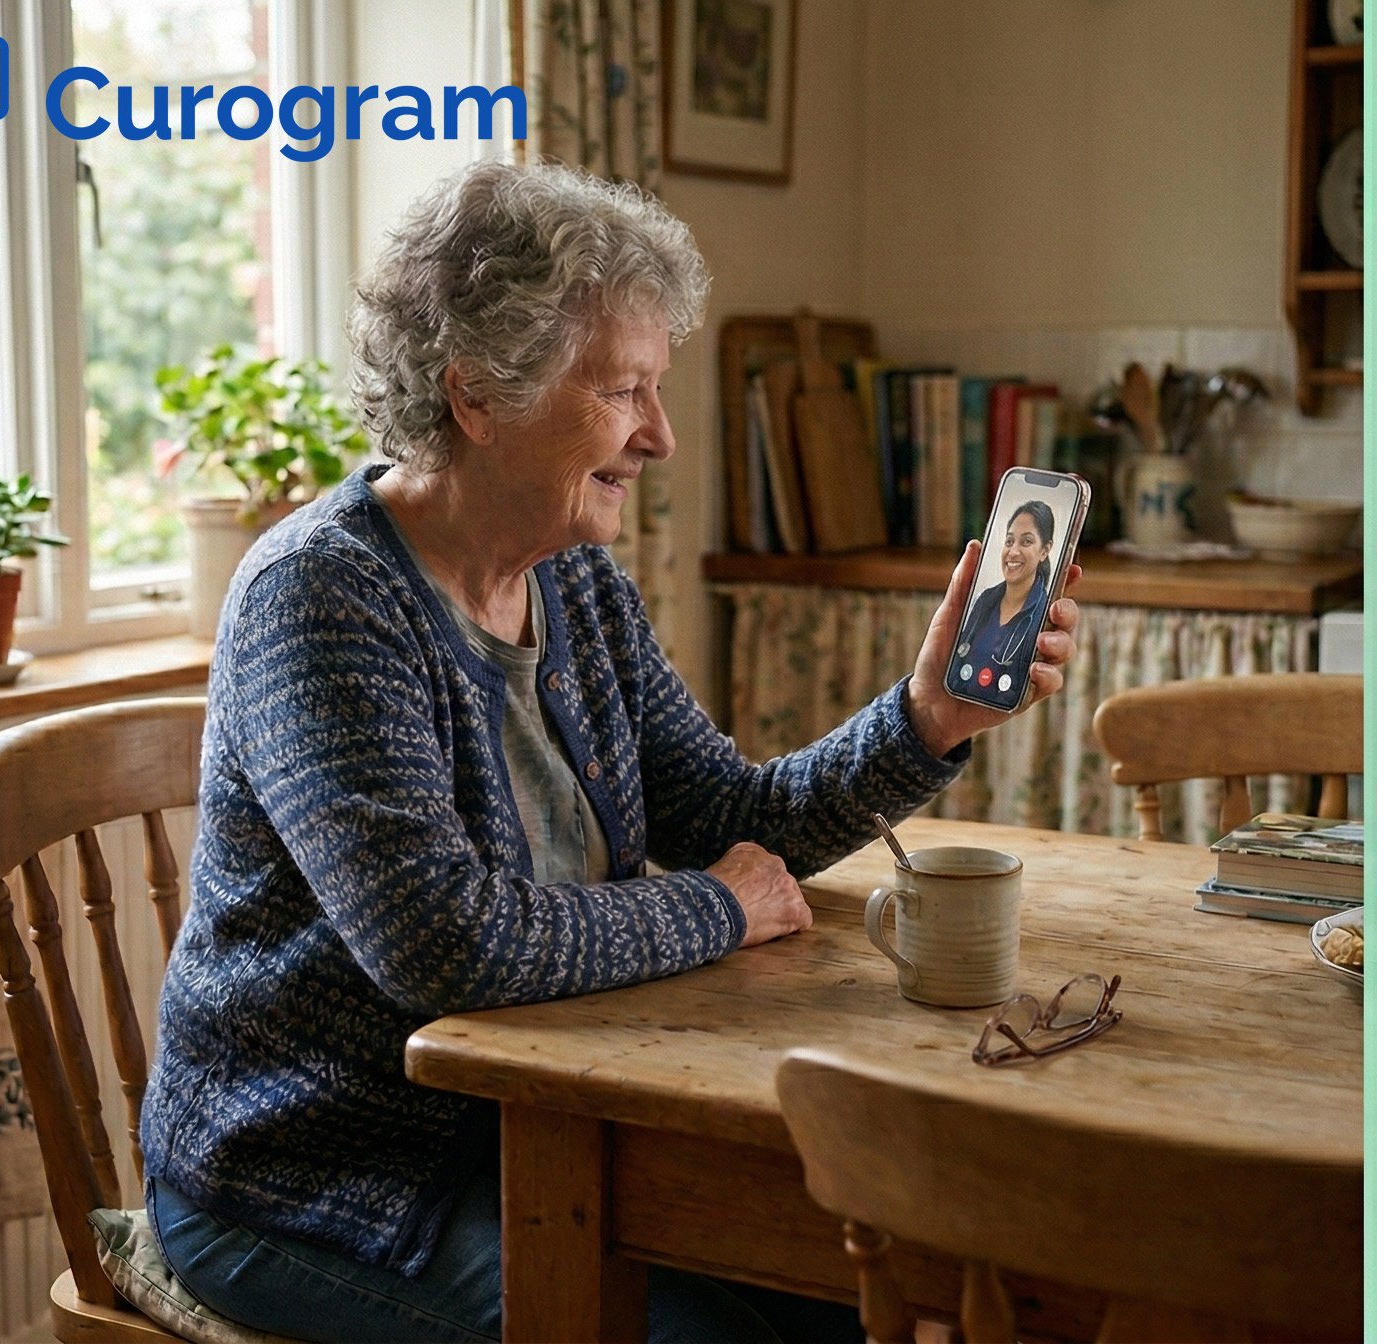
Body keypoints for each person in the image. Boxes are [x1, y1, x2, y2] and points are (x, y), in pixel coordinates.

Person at [136, 161, 1083, 1344]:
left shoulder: (570, 578)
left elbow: (734, 817)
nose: (661, 436)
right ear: (478, 391)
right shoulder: (319, 597)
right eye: (625, 389)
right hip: (325, 1182)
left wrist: (930, 714)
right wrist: (719, 912)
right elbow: (444, 943)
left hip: (551, 1122)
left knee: (867, 1279)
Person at [952, 499, 1057, 698]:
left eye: (1026, 541)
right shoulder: (985, 600)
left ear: (1045, 550)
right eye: (1009, 541)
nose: (1013, 551)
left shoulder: (1044, 614)